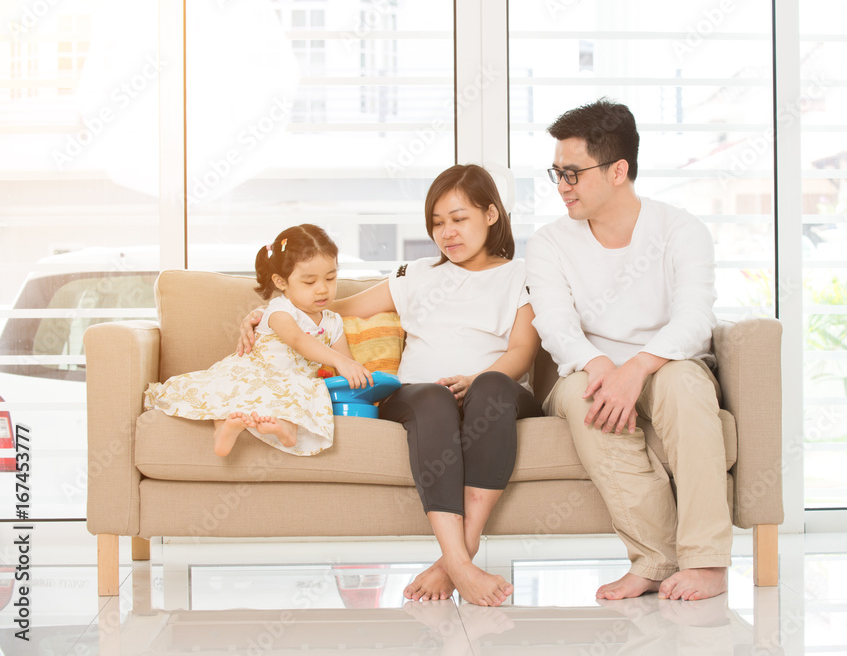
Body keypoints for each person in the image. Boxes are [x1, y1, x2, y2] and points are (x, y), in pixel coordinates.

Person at [237, 165, 543, 607]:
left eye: (459, 219)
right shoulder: (416, 274)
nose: (447, 233)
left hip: (494, 393)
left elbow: (522, 351)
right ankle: (460, 562)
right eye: (437, 223)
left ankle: (457, 558)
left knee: (493, 387)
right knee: (433, 396)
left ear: (491, 214)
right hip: (422, 397)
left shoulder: (522, 275)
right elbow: (331, 308)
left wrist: (475, 379)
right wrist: (273, 314)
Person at [525, 99, 731, 602]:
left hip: (666, 363)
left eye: (572, 174)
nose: (562, 186)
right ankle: (656, 560)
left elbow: (694, 318)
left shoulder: (681, 230)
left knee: (685, 386)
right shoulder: (549, 242)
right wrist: (601, 364)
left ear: (619, 170)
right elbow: (554, 324)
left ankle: (706, 563)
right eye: (556, 173)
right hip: (584, 370)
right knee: (588, 398)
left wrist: (637, 367)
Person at [145, 224, 372, 458]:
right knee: (226, 388)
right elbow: (297, 340)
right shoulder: (279, 311)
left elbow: (346, 363)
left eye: (331, 278)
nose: (322, 289)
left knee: (305, 391)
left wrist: (352, 371)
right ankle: (224, 431)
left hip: (294, 380)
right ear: (281, 282)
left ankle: (287, 429)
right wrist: (337, 360)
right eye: (309, 282)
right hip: (256, 370)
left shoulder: (333, 321)